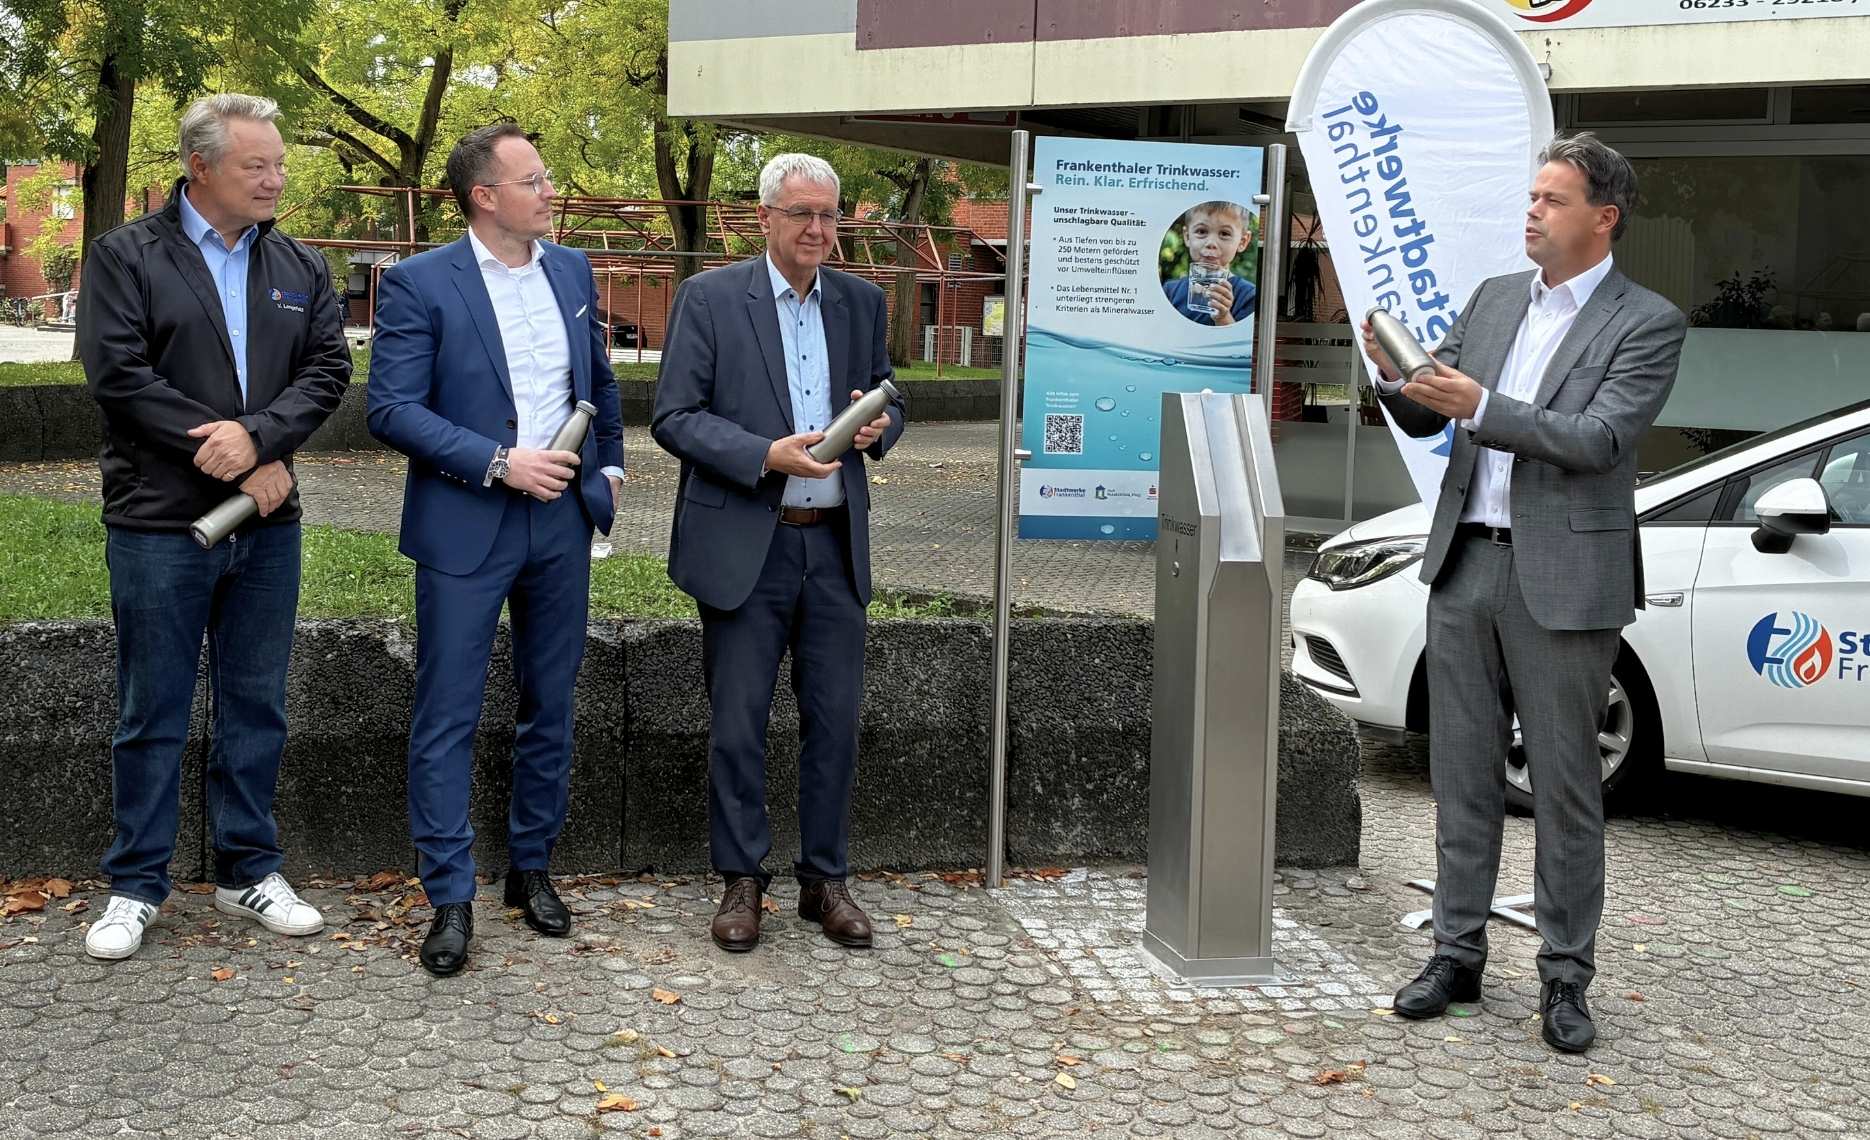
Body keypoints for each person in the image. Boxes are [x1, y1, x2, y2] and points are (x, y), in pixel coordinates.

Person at [1361, 132, 1686, 1053]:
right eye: (1531, 196)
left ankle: (1565, 979)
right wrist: (1395, 378)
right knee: (1460, 776)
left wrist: (1484, 407)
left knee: (1565, 785)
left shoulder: (1646, 321)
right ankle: (1456, 955)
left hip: (1566, 579)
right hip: (1466, 564)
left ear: (1603, 216)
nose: (1532, 211)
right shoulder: (1496, 299)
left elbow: (1599, 441)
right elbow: (1433, 406)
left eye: (1551, 199)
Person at [75, 93, 351, 960]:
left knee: (255, 703)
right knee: (151, 707)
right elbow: (119, 376)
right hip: (160, 523)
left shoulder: (298, 265)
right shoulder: (126, 256)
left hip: (268, 524)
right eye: (255, 167)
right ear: (200, 169)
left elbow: (328, 367)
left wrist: (263, 443)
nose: (274, 180)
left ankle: (247, 871)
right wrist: (231, 449)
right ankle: (135, 884)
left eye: (277, 165)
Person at [367, 123, 625, 977]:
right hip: (465, 520)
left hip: (560, 521)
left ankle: (531, 868)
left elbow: (599, 378)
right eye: (536, 181)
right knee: (447, 713)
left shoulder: (573, 270)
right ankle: (449, 896)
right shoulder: (417, 283)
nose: (552, 192)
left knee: (550, 702)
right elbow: (392, 409)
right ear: (486, 196)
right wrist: (496, 462)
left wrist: (612, 465)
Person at [651, 152, 905, 953]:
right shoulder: (710, 298)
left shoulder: (862, 302)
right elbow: (675, 417)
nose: (819, 230)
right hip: (745, 547)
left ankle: (824, 881)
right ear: (763, 218)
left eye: (830, 215)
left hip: (832, 547)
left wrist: (878, 428)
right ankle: (741, 881)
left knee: (835, 722)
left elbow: (888, 390)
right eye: (802, 214)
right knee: (738, 724)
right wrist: (766, 453)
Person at [1161, 201, 1258, 327]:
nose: (1211, 243)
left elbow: (1237, 344)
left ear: (1242, 242)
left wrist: (1223, 317)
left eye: (1224, 234)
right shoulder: (1170, 290)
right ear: (1187, 237)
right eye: (1201, 232)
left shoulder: (1248, 296)